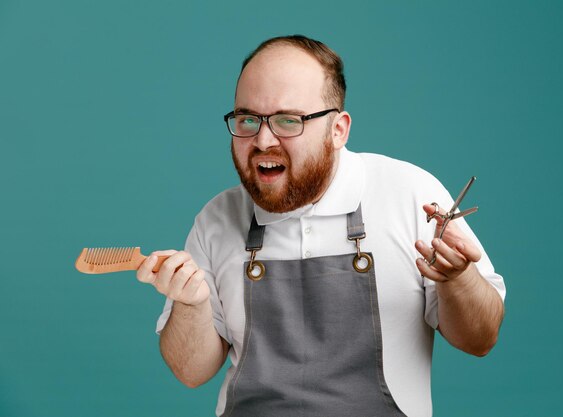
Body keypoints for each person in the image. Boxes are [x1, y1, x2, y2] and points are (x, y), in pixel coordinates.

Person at [137, 35, 505, 417]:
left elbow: (480, 339)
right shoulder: (217, 219)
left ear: (338, 130)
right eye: (247, 119)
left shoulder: (411, 195)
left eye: (287, 121)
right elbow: (191, 372)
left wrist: (459, 280)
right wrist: (191, 305)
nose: (263, 140)